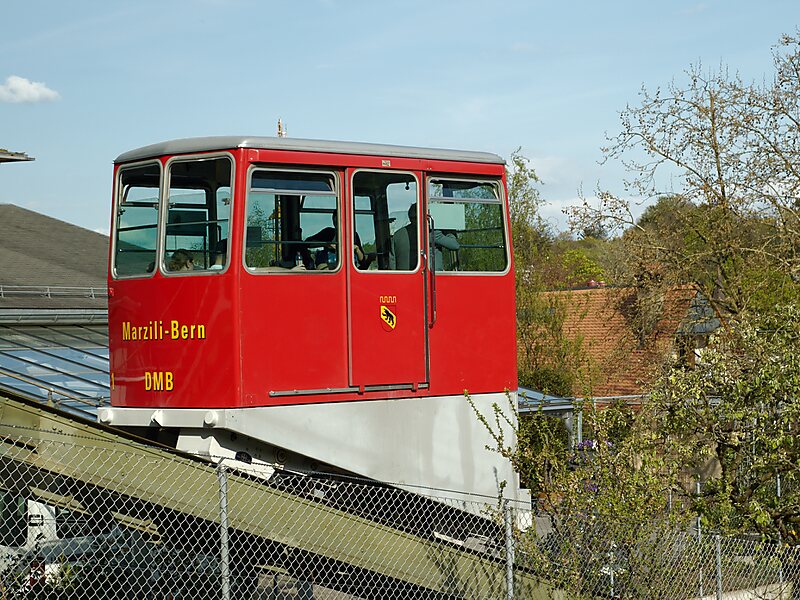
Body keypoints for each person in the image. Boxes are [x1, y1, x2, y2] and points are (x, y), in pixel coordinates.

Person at [305, 209, 372, 270]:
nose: (339, 225)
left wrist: (357, 249)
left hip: (347, 266)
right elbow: (307, 243)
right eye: (336, 222)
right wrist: (326, 244)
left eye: (342, 221)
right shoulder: (328, 232)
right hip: (327, 264)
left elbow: (362, 262)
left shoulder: (353, 235)